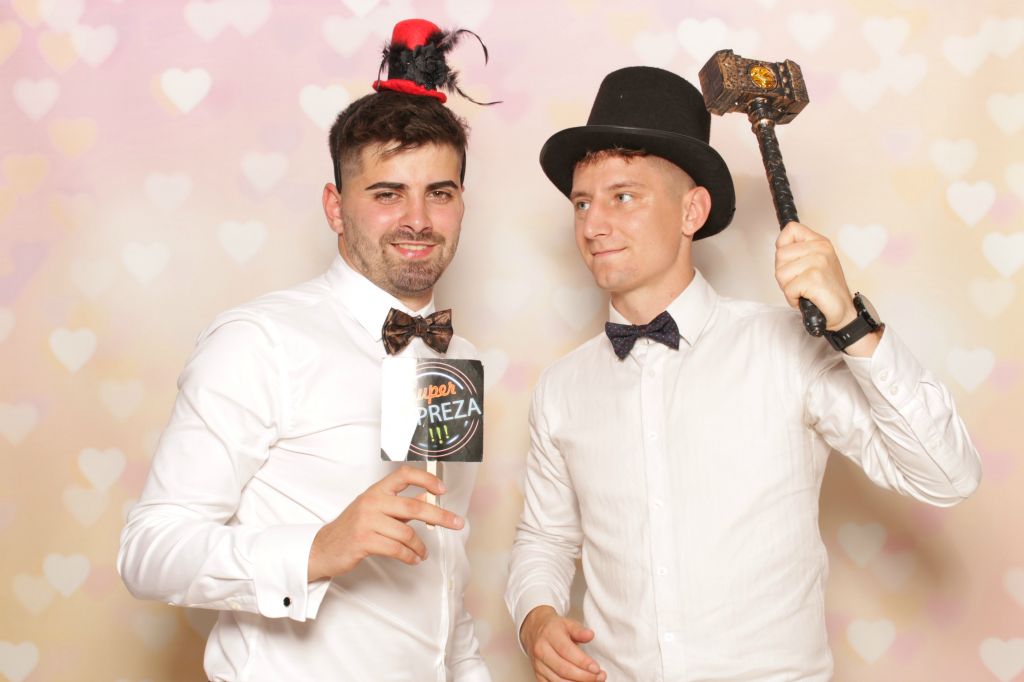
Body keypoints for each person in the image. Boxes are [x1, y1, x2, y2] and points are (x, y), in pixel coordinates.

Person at [504, 66, 981, 682]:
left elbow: (947, 475)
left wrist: (849, 321)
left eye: (623, 197)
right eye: (582, 203)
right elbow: (544, 538)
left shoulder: (788, 349)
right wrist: (535, 617)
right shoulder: (560, 389)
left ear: (692, 210)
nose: (593, 225)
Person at [119, 19, 493, 681]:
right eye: (387, 194)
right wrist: (316, 549)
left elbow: (441, 576)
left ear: (461, 203)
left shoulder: (455, 356)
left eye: (439, 193)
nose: (417, 219)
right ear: (336, 207)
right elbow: (149, 552)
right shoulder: (259, 342)